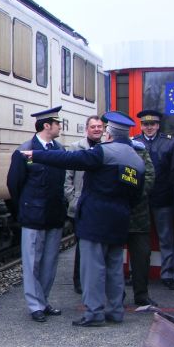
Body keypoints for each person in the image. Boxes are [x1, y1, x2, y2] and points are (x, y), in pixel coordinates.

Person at [21, 111, 144, 326]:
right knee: (115, 267)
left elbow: (70, 159)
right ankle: (115, 311)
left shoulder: (102, 153)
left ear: (110, 133)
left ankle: (94, 313)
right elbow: (136, 196)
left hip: (95, 220)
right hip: (120, 220)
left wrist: (35, 155)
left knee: (92, 268)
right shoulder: (137, 160)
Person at [6, 106, 67, 323]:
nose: (60, 126)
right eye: (58, 123)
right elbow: (14, 184)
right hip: (33, 216)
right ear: (47, 126)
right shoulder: (24, 151)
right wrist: (24, 207)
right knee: (32, 262)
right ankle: (35, 306)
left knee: (49, 262)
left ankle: (44, 300)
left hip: (54, 215)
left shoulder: (59, 150)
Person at [133, 110, 174, 288]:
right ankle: (138, 275)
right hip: (140, 199)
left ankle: (168, 274)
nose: (148, 128)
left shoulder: (170, 143)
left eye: (152, 124)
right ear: (141, 126)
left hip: (162, 198)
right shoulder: (134, 143)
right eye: (145, 124)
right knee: (138, 240)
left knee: (166, 238)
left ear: (158, 125)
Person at [64, 115, 104, 294]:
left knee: (99, 245)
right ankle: (79, 281)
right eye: (93, 127)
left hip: (99, 206)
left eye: (100, 127)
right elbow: (67, 178)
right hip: (80, 205)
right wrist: (73, 200)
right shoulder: (75, 148)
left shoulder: (106, 148)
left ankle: (95, 279)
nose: (97, 129)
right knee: (82, 245)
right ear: (86, 129)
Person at [127, 137, 156, 306]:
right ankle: (116, 295)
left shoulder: (140, 151)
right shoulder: (110, 151)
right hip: (117, 215)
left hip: (139, 215)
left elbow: (150, 176)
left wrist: (135, 195)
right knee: (113, 258)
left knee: (142, 257)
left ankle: (141, 295)